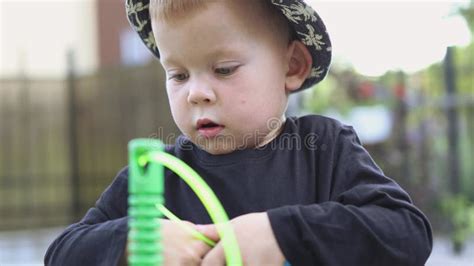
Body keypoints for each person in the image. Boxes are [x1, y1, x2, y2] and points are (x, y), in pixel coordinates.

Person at [45, 0, 433, 265]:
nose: (196, 92)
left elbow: (405, 233)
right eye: (178, 74)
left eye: (225, 69)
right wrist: (132, 241)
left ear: (293, 65)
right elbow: (61, 253)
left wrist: (279, 234)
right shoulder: (158, 174)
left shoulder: (324, 150)